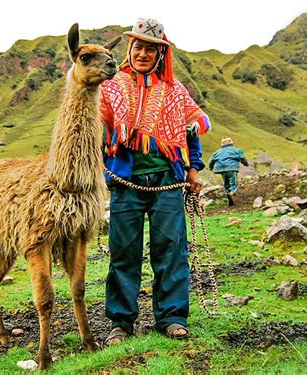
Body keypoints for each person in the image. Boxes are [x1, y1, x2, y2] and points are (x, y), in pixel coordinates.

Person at [99, 18, 211, 345]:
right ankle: (121, 322)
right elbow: (96, 128)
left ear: (160, 54)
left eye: (150, 48)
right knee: (123, 253)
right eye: (138, 47)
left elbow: (190, 131)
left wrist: (194, 169)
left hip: (168, 181)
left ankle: (172, 317)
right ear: (129, 49)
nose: (143, 54)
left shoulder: (174, 91)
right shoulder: (111, 86)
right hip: (125, 181)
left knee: (172, 250)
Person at [208, 137, 249, 206]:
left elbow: (210, 161)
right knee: (233, 182)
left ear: (222, 144)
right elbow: (243, 157)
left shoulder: (217, 152)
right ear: (231, 142)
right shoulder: (237, 150)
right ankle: (232, 192)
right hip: (231, 167)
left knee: (226, 182)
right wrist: (246, 164)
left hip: (221, 169)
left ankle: (227, 195)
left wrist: (211, 167)